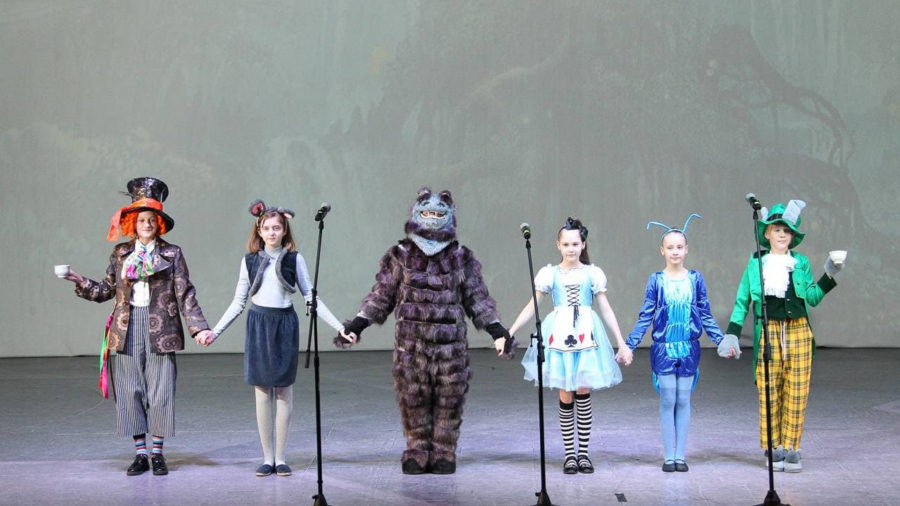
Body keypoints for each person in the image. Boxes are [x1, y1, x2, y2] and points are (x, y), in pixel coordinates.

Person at [334, 188, 514, 475]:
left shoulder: (460, 257)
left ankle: (444, 451)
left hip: (450, 347)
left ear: (450, 214)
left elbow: (476, 298)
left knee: (449, 398)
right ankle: (416, 449)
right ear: (417, 212)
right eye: (427, 208)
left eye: (440, 209)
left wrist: (497, 331)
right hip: (411, 346)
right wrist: (357, 325)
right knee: (413, 397)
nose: (433, 212)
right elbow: (382, 295)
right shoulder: (401, 255)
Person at [61, 177, 214, 476]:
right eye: (142, 220)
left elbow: (185, 292)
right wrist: (80, 281)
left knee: (161, 390)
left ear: (159, 224)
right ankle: (140, 454)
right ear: (133, 223)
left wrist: (199, 328)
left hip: (162, 328)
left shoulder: (171, 253)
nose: (147, 224)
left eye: (152, 220)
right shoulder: (121, 254)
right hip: (126, 327)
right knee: (129, 390)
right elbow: (106, 290)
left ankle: (157, 453)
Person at [201, 199, 346, 477]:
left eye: (276, 228)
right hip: (259, 325)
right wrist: (215, 331)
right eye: (267, 228)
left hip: (284, 325)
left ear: (284, 230)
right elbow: (238, 302)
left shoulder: (294, 259)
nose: (271, 232)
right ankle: (267, 457)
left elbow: (311, 297)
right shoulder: (249, 261)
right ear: (259, 230)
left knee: (283, 390)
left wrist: (339, 327)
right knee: (261, 391)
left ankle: (281, 458)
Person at [506, 217, 632, 474]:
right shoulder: (550, 273)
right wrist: (509, 332)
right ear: (558, 245)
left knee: (583, 391)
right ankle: (569, 455)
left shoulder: (592, 273)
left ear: (583, 244)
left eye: (575, 244)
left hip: (586, 333)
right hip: (560, 333)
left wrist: (621, 343)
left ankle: (583, 454)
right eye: (566, 244)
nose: (571, 249)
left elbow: (606, 309)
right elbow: (532, 306)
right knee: (565, 393)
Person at [725, 200, 843, 472]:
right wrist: (732, 334)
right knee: (769, 391)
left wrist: (829, 275)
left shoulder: (800, 262)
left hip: (798, 330)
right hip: (768, 331)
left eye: (787, 231)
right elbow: (742, 301)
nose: (781, 234)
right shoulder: (756, 263)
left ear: (792, 236)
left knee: (797, 390)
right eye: (777, 229)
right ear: (767, 233)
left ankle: (792, 447)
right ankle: (773, 446)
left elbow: (812, 297)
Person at [626, 214, 740, 472]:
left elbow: (705, 313)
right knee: (668, 398)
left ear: (687, 249)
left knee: (684, 398)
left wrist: (720, 340)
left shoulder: (695, 279)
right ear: (662, 251)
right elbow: (646, 315)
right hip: (664, 348)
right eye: (670, 247)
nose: (675, 252)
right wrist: (629, 345)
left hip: (688, 348)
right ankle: (668, 455)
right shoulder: (656, 280)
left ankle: (680, 455)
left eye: (679, 247)